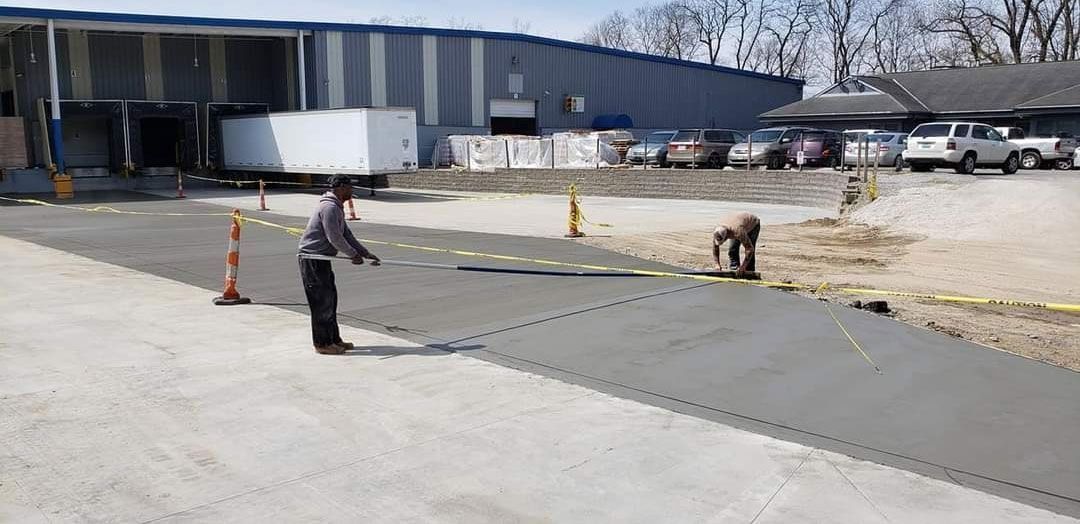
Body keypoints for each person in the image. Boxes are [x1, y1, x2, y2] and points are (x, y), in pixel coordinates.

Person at [298, 175, 381, 355]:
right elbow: (334, 237)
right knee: (321, 303)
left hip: (323, 259)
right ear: (341, 187)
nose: (352, 191)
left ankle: (334, 339)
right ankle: (322, 343)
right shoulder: (329, 207)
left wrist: (364, 253)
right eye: (350, 187)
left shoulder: (336, 207)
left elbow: (346, 235)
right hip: (313, 259)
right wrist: (353, 255)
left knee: (330, 300)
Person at [712, 211, 760, 276]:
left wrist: (743, 266)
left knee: (750, 248)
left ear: (726, 236)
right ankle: (734, 269)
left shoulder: (738, 231)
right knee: (732, 250)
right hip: (737, 223)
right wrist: (717, 264)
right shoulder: (717, 231)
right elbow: (715, 247)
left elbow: (749, 249)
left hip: (753, 225)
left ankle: (749, 272)